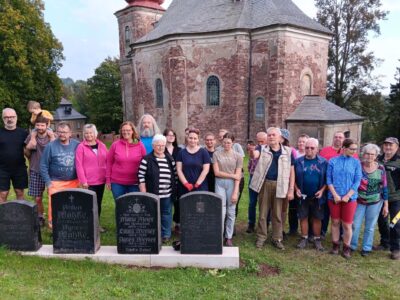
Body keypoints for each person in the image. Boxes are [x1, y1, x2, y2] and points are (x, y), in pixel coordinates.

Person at [249, 127, 295, 250]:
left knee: (278, 214)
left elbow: (292, 171)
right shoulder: (262, 148)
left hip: (280, 185)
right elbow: (255, 155)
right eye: (269, 135)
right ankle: (261, 237)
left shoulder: (288, 152)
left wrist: (291, 189)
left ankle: (277, 238)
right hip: (265, 184)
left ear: (280, 138)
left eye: (273, 135)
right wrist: (252, 151)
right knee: (263, 213)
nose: (271, 137)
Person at [350, 143, 388, 256]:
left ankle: (366, 248)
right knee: (355, 224)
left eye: (372, 154)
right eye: (367, 153)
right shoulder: (358, 166)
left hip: (375, 201)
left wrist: (385, 205)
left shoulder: (381, 168)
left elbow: (384, 187)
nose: (369, 156)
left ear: (376, 155)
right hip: (359, 200)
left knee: (370, 226)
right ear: (363, 154)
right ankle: (352, 245)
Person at [327, 138, 362, 259]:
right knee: (335, 222)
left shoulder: (356, 162)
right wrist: (335, 195)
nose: (354, 151)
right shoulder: (332, 161)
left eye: (355, 149)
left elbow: (357, 181)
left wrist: (348, 195)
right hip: (334, 197)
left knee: (347, 224)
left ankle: (346, 248)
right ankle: (335, 246)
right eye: (352, 149)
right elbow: (329, 180)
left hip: (350, 198)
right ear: (344, 148)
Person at [40, 122, 80, 227]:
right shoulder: (50, 146)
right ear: (56, 133)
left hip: (74, 181)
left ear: (70, 133)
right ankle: (55, 226)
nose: (62, 134)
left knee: (73, 205)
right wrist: (48, 183)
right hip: (55, 182)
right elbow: (43, 166)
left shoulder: (77, 145)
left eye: (65, 132)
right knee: (55, 205)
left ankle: (72, 224)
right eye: (60, 132)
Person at [139, 134, 177, 242]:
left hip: (167, 193)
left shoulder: (170, 159)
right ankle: (153, 232)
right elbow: (141, 176)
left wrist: (174, 191)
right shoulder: (147, 159)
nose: (160, 148)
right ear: (153, 145)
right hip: (152, 193)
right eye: (158, 145)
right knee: (152, 213)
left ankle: (166, 234)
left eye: (162, 145)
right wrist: (144, 192)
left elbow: (174, 175)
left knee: (166, 213)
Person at [319, 131, 358, 237]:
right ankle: (323, 232)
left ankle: (343, 236)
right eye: (335, 137)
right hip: (330, 190)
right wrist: (333, 193)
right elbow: (327, 176)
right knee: (329, 216)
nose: (337, 139)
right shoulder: (326, 152)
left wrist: (348, 195)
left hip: (348, 193)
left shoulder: (355, 159)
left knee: (346, 220)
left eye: (340, 137)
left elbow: (357, 178)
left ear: (343, 140)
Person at [294, 138, 328, 251]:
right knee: (303, 216)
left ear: (317, 149)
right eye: (307, 147)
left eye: (312, 148)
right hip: (302, 194)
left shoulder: (323, 162)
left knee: (317, 217)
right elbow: (292, 177)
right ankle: (304, 237)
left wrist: (322, 190)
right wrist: (296, 188)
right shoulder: (298, 161)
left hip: (318, 195)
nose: (309, 150)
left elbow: (328, 179)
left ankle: (317, 239)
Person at [75, 124, 108, 232]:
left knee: (98, 203)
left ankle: (97, 225)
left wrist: (108, 179)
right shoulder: (81, 147)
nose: (89, 135)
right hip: (88, 182)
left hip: (101, 181)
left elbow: (108, 162)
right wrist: (83, 181)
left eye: (91, 133)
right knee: (89, 204)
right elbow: (78, 165)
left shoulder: (102, 145)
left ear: (95, 133)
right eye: (87, 133)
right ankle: (88, 226)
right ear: (84, 134)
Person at [24, 115, 55, 226]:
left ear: (47, 125)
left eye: (42, 125)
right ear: (35, 125)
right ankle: (40, 216)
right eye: (38, 125)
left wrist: (52, 139)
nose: (40, 127)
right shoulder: (31, 136)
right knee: (37, 198)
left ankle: (55, 217)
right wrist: (29, 146)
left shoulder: (52, 136)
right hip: (36, 170)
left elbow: (57, 151)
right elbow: (26, 154)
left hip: (51, 171)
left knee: (54, 196)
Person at [213, 133, 243, 246]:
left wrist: (235, 192)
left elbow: (238, 176)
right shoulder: (216, 154)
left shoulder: (238, 156)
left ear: (233, 143)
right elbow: (216, 172)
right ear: (222, 142)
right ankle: (219, 235)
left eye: (229, 142)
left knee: (231, 211)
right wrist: (232, 175)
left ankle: (228, 236)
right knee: (221, 210)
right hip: (219, 183)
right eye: (225, 142)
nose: (226, 144)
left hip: (232, 184)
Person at [106, 121, 146, 200]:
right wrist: (108, 179)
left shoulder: (140, 145)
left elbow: (145, 163)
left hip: (135, 182)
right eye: (123, 130)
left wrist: (144, 181)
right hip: (117, 183)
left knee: (134, 206)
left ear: (132, 131)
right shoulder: (115, 145)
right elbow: (109, 162)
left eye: (128, 130)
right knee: (120, 205)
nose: (125, 132)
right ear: (121, 131)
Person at [376, 137, 400, 260]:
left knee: (395, 223)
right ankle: (385, 242)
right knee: (381, 221)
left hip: (397, 199)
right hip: (380, 197)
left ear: (397, 147)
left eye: (391, 145)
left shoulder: (399, 161)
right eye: (386, 145)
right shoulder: (377, 160)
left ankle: (396, 248)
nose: (388, 147)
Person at [0, 108, 28, 203]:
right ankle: (2, 216)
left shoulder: (23, 133)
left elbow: (28, 152)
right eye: (6, 117)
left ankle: (20, 216)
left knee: (19, 192)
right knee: (3, 194)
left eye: (12, 117)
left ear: (16, 117)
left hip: (19, 168)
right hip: (2, 169)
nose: (9, 119)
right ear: (3, 118)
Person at [247, 131, 268, 233]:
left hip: (266, 179)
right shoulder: (257, 149)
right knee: (252, 202)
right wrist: (251, 152)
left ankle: (264, 225)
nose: (260, 143)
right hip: (254, 177)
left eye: (262, 141)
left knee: (265, 204)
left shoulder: (270, 149)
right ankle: (251, 223)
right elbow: (253, 157)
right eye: (258, 141)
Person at [280, 128, 298, 236]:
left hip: (285, 182)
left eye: (281, 137)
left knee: (283, 208)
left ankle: (281, 229)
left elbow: (292, 168)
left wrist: (291, 187)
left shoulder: (290, 151)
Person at [163, 128, 181, 234]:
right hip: (164, 181)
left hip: (177, 180)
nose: (171, 137)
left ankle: (177, 223)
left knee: (178, 203)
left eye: (173, 135)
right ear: (164, 137)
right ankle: (166, 226)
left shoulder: (179, 150)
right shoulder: (161, 149)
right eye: (169, 135)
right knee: (167, 205)